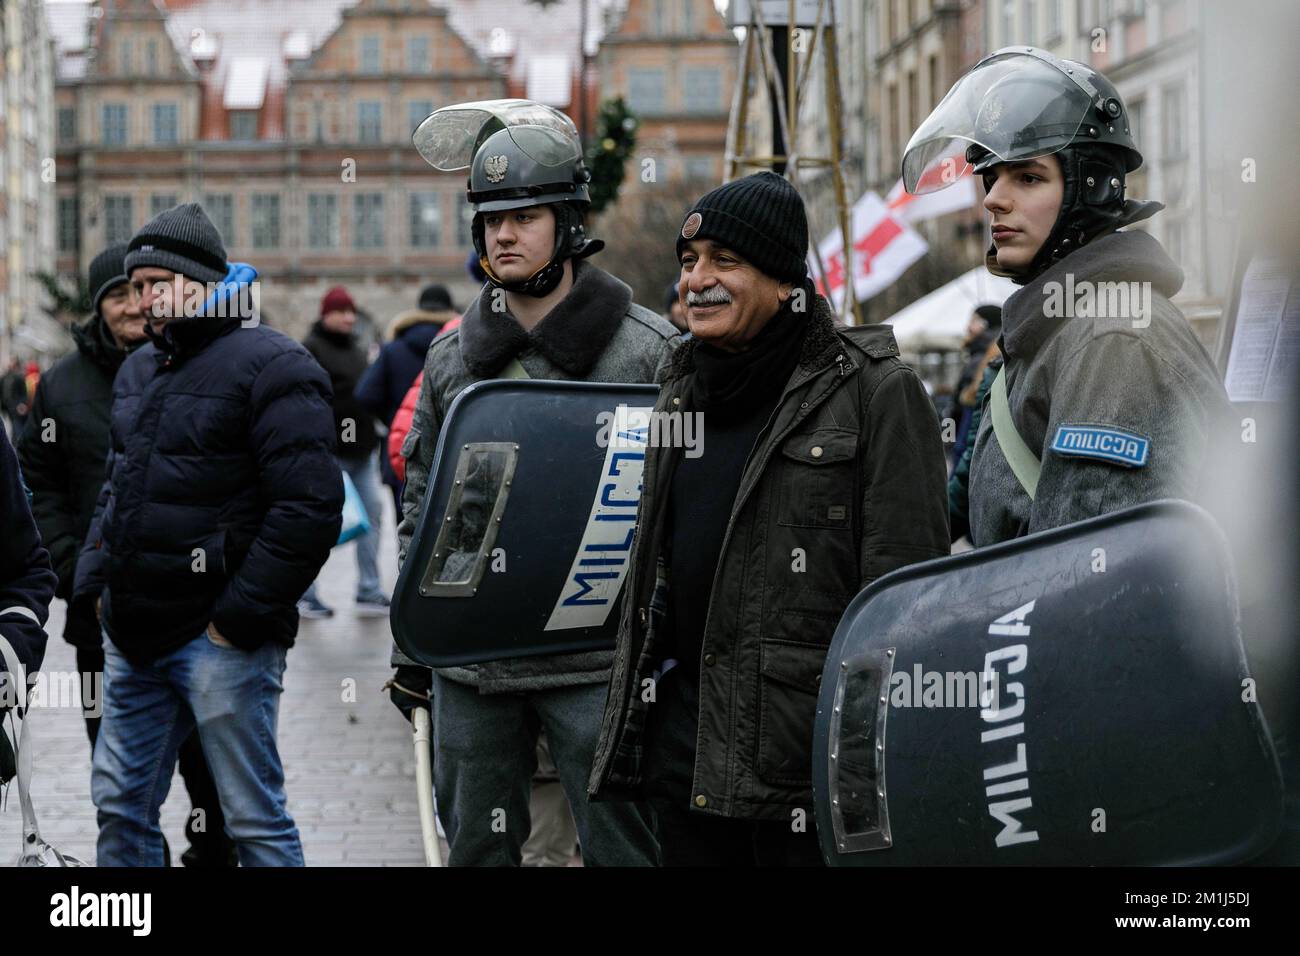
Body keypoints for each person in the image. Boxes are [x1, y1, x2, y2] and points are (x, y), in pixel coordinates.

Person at [587, 171, 951, 866]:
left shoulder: (876, 392)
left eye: (727, 261)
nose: (698, 280)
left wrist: (865, 773)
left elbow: (906, 604)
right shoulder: (679, 389)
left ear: (786, 281)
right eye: (689, 262)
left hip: (803, 763)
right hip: (687, 754)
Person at [390, 101, 672, 866]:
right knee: (479, 850)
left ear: (569, 224)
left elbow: (687, 506)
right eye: (489, 219)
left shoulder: (651, 355)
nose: (503, 234)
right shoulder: (451, 360)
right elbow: (424, 503)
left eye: (525, 215)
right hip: (474, 661)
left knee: (626, 852)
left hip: (599, 658)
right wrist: (413, 644)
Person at [72, 202, 343, 866]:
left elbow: (308, 507)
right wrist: (97, 587)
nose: (141, 302)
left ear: (199, 281)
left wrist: (238, 617)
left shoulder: (275, 362)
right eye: (134, 288)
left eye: (153, 284)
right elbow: (118, 491)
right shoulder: (140, 370)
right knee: (119, 805)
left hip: (223, 642)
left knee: (252, 819)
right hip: (134, 638)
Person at [902, 47, 1232, 546]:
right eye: (992, 179)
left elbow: (1084, 576)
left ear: (1092, 190)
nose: (992, 198)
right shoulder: (1058, 328)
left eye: (1028, 177)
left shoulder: (1113, 339)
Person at [17, 243, 236, 867]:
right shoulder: (61, 384)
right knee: (116, 769)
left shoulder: (199, 365)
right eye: (116, 295)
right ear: (99, 306)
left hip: (196, 604)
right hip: (98, 609)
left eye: (142, 290)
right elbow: (38, 481)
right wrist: (69, 565)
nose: (132, 307)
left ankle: (213, 852)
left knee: (209, 762)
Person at [297, 286, 388, 619]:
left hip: (362, 451)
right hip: (328, 452)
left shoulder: (357, 348)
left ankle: (369, 589)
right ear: (327, 314)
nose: (350, 318)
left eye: (352, 312)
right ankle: (305, 594)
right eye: (343, 312)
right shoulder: (311, 348)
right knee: (317, 523)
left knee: (372, 515)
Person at [355, 284, 458, 516]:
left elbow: (365, 395)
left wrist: (392, 418)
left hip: (401, 453)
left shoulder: (394, 349)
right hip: (451, 453)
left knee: (407, 534)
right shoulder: (461, 345)